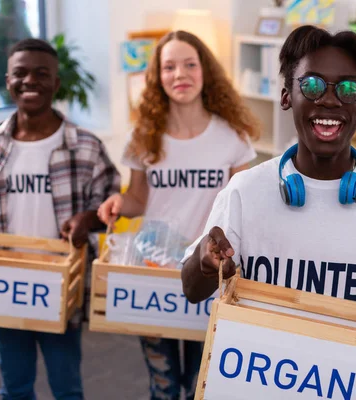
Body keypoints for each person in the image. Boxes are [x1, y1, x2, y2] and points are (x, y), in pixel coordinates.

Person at [180, 25, 356, 333]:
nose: (329, 101)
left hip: (352, 378)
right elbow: (192, 290)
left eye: (347, 90)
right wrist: (205, 260)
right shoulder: (244, 191)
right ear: (287, 95)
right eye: (313, 86)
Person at [96, 30, 260, 399]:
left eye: (189, 64)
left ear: (205, 72)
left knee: (204, 385)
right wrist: (118, 203)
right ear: (157, 76)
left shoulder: (232, 136)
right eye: (169, 67)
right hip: (155, 274)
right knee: (164, 385)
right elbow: (138, 197)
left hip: (210, 275)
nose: (179, 74)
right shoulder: (143, 135)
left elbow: (243, 207)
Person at [0, 39, 121, 399]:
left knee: (66, 388)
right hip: (4, 283)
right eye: (20, 73)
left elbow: (110, 204)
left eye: (41, 74)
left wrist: (87, 217)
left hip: (60, 286)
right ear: (7, 80)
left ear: (56, 83)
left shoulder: (86, 145)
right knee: (14, 387)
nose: (30, 80)